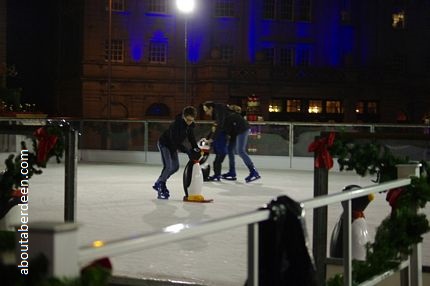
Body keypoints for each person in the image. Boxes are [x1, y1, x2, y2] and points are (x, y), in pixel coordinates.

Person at [152, 106, 199, 199]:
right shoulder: (176, 125)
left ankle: (159, 182)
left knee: (175, 167)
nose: (189, 122)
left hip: (173, 146)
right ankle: (161, 185)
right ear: (183, 117)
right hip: (165, 144)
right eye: (188, 120)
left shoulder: (190, 126)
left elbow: (192, 138)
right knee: (168, 166)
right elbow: (175, 142)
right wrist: (187, 151)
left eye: (191, 120)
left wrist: (196, 149)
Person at [222, 108, 261, 183]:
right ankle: (232, 172)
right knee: (232, 150)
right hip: (239, 131)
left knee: (240, 151)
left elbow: (228, 129)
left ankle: (253, 171)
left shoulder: (230, 116)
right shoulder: (232, 116)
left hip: (242, 130)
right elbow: (231, 128)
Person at [202, 101, 230, 181]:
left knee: (218, 158)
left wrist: (212, 138)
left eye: (206, 110)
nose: (206, 113)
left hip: (221, 137)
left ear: (211, 108)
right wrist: (209, 138)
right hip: (221, 137)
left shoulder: (219, 111)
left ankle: (217, 175)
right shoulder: (219, 112)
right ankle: (217, 175)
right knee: (218, 159)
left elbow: (219, 126)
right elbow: (216, 127)